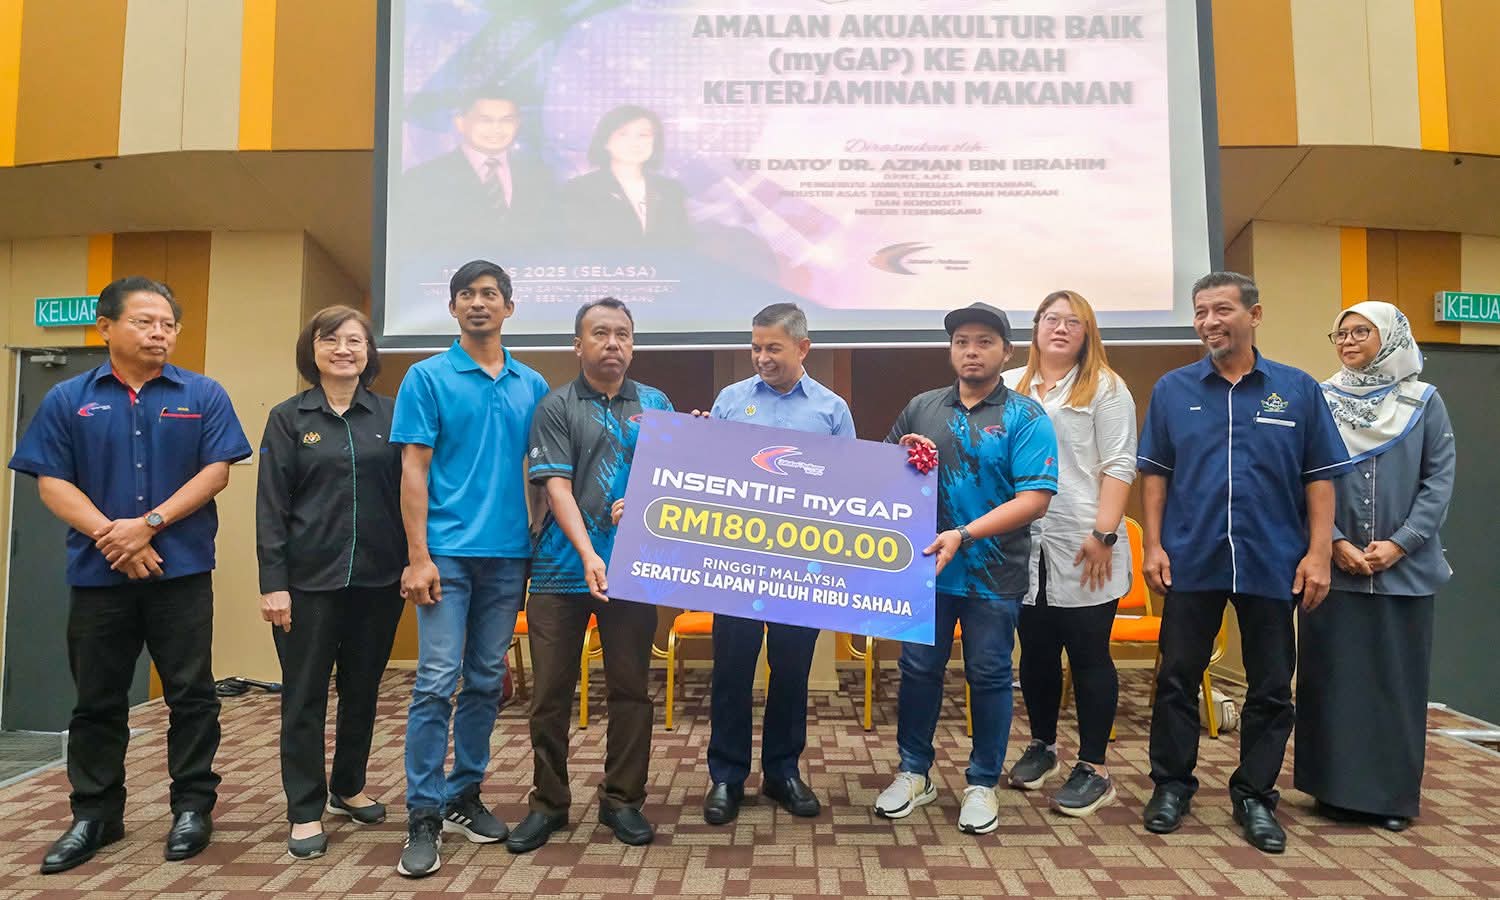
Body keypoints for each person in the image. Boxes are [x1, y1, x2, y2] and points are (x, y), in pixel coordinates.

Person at [8, 276, 251, 873]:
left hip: (181, 572)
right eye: (145, 322)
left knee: (192, 695)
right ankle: (95, 814)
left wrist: (149, 524)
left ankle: (192, 807)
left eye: (168, 324)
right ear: (106, 326)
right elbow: (52, 482)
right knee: (97, 699)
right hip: (99, 575)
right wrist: (113, 536)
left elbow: (217, 471)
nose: (159, 333)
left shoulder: (203, 393)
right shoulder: (67, 398)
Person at [1136, 271, 1350, 854]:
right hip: (1192, 557)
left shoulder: (1298, 390)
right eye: (1200, 312)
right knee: (1177, 678)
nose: (1209, 322)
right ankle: (1172, 785)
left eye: (1221, 310)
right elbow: (1155, 475)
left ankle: (1255, 795)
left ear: (1254, 315)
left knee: (1272, 686)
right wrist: (1153, 545)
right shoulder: (1173, 389)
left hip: (1273, 559)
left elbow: (1320, 479)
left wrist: (1319, 553)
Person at [389, 260, 549, 878]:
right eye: (466, 294)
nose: (478, 303)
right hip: (445, 556)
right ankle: (423, 813)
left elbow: (542, 470)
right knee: (436, 681)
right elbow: (414, 469)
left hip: (509, 557)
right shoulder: (426, 377)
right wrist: (418, 556)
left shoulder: (532, 383)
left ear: (509, 307)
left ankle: (463, 795)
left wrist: (535, 533)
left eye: (489, 294)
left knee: (486, 681)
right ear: (453, 307)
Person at [873, 302, 1058, 835]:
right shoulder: (922, 407)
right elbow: (881, 475)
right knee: (918, 672)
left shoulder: (1026, 416)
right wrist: (900, 457)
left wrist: (965, 533)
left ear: (1007, 351)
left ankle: (982, 782)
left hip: (993, 575)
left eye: (983, 342)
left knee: (990, 675)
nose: (971, 351)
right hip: (927, 571)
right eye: (961, 342)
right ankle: (914, 773)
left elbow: (1035, 500)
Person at [506, 298, 674, 853]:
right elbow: (556, 487)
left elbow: (673, 483)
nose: (613, 343)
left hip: (633, 572)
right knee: (550, 696)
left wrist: (650, 496)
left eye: (623, 333)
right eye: (600, 333)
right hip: (560, 572)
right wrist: (587, 553)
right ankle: (548, 804)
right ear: (578, 345)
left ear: (633, 344)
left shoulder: (656, 404)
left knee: (631, 692)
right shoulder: (555, 406)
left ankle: (622, 800)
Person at [1296, 301, 1456, 832]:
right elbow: (1302, 476)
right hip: (1332, 571)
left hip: (1404, 573)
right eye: (1340, 333)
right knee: (1333, 682)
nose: (1347, 341)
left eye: (1360, 331)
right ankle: (1330, 791)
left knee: (1394, 687)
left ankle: (1388, 799)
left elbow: (1438, 480)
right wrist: (1334, 542)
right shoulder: (1320, 399)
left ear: (1390, 337)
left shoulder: (1423, 401)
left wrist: (1401, 545)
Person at [256, 306, 405, 859]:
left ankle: (348, 786)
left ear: (369, 352)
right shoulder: (288, 418)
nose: (343, 349)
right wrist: (273, 583)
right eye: (330, 340)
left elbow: (411, 492)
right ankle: (304, 809)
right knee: (304, 696)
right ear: (312, 350)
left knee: (363, 690)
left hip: (379, 579)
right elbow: (271, 506)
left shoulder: (391, 414)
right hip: (306, 584)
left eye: (355, 340)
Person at [700, 303, 855, 825]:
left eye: (773, 348)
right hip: (736, 565)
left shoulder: (831, 410)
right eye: (755, 347)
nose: (762, 357)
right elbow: (708, 476)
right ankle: (726, 776)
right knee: (732, 672)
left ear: (802, 348)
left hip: (799, 566)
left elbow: (849, 487)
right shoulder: (730, 400)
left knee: (791, 673)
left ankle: (782, 772)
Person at [1002, 291, 1136, 817]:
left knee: (1087, 655)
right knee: (1035, 652)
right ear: (1036, 327)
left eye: (1073, 322)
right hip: (1022, 540)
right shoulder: (1009, 384)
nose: (1061, 328)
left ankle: (1094, 767)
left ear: (1087, 333)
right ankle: (1042, 746)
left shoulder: (1106, 386)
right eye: (1052, 319)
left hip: (1085, 542)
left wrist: (1105, 533)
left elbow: (1120, 463)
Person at [402, 85, 555, 247]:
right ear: (460, 123)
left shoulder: (539, 175)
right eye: (485, 120)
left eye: (506, 120)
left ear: (518, 124)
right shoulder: (424, 178)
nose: (497, 129)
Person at [564, 105, 692, 249]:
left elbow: (684, 245)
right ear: (605, 141)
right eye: (623, 134)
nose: (635, 143)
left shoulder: (670, 190)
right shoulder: (579, 190)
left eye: (643, 135)